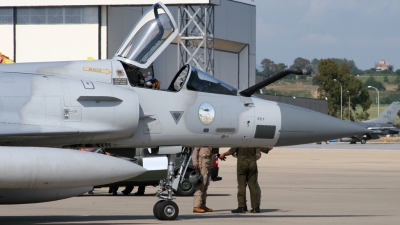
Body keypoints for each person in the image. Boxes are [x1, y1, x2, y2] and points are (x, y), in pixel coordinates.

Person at [219, 147, 272, 213]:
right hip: (252, 164)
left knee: (241, 186)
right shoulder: (254, 140)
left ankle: (242, 206)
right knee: (253, 185)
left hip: (242, 164)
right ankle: (255, 207)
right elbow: (266, 149)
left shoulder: (240, 140)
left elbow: (231, 151)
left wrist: (223, 154)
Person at [192, 147, 213, 213]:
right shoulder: (202, 139)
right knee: (200, 185)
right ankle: (196, 206)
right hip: (202, 163)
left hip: (207, 164)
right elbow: (195, 151)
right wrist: (195, 162)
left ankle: (202, 205)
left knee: (205, 186)